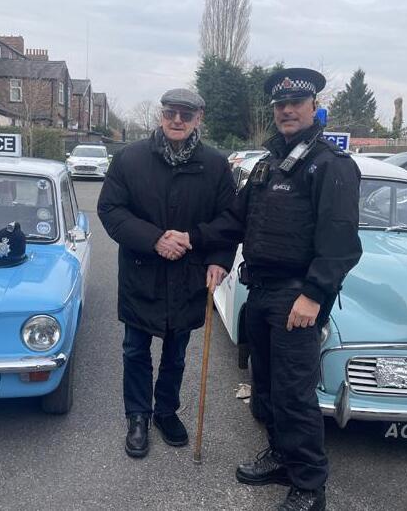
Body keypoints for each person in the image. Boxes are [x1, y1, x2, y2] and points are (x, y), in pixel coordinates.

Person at [182, 68, 363, 511]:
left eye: (295, 103)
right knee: (264, 386)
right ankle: (281, 454)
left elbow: (340, 243)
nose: (286, 110)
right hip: (260, 292)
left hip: (296, 297)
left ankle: (309, 487)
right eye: (280, 105)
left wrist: (314, 295)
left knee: (294, 394)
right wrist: (192, 237)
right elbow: (235, 220)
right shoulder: (267, 165)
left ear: (314, 107)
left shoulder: (331, 165)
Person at [97, 88, 236, 459]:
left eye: (186, 115)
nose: (177, 120)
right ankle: (137, 416)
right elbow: (111, 210)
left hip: (189, 275)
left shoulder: (215, 165)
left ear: (198, 118)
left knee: (176, 352)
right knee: (135, 350)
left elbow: (229, 219)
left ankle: (166, 411)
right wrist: (154, 239)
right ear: (161, 115)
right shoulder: (130, 158)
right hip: (141, 272)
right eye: (171, 112)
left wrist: (219, 259)